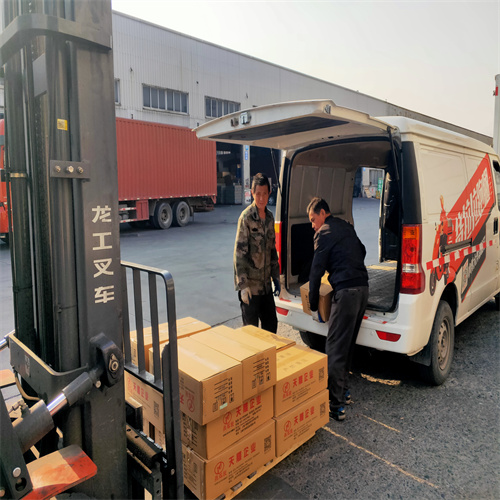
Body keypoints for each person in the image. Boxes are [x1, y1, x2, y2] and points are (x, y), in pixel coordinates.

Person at [307, 197, 369, 421]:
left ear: (323, 213)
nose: (313, 225)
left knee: (334, 348)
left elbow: (316, 271)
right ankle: (344, 392)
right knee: (347, 345)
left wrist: (313, 304)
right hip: (363, 290)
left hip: (346, 293)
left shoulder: (323, 233)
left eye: (313, 219)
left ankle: (336, 405)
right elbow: (362, 250)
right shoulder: (346, 226)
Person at [234, 173, 280, 333]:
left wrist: (276, 277)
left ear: (269, 194)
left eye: (265, 194)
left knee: (271, 328)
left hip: (266, 287)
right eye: (258, 194)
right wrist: (243, 286)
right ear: (252, 193)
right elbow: (239, 254)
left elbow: (272, 250)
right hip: (251, 289)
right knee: (251, 335)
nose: (261, 198)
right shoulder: (246, 218)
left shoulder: (270, 218)